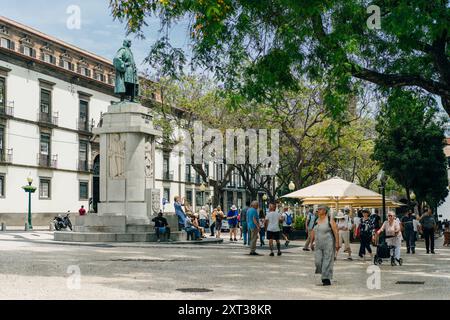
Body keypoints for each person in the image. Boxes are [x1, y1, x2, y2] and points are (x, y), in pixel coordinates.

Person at [310, 205, 339, 286]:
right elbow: (313, 231)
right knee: (318, 261)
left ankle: (325, 278)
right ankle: (324, 274)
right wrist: (311, 242)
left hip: (328, 243)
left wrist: (337, 243)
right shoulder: (316, 220)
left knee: (327, 260)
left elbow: (336, 231)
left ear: (325, 211)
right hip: (318, 244)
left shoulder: (330, 220)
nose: (318, 211)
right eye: (318, 209)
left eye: (320, 209)